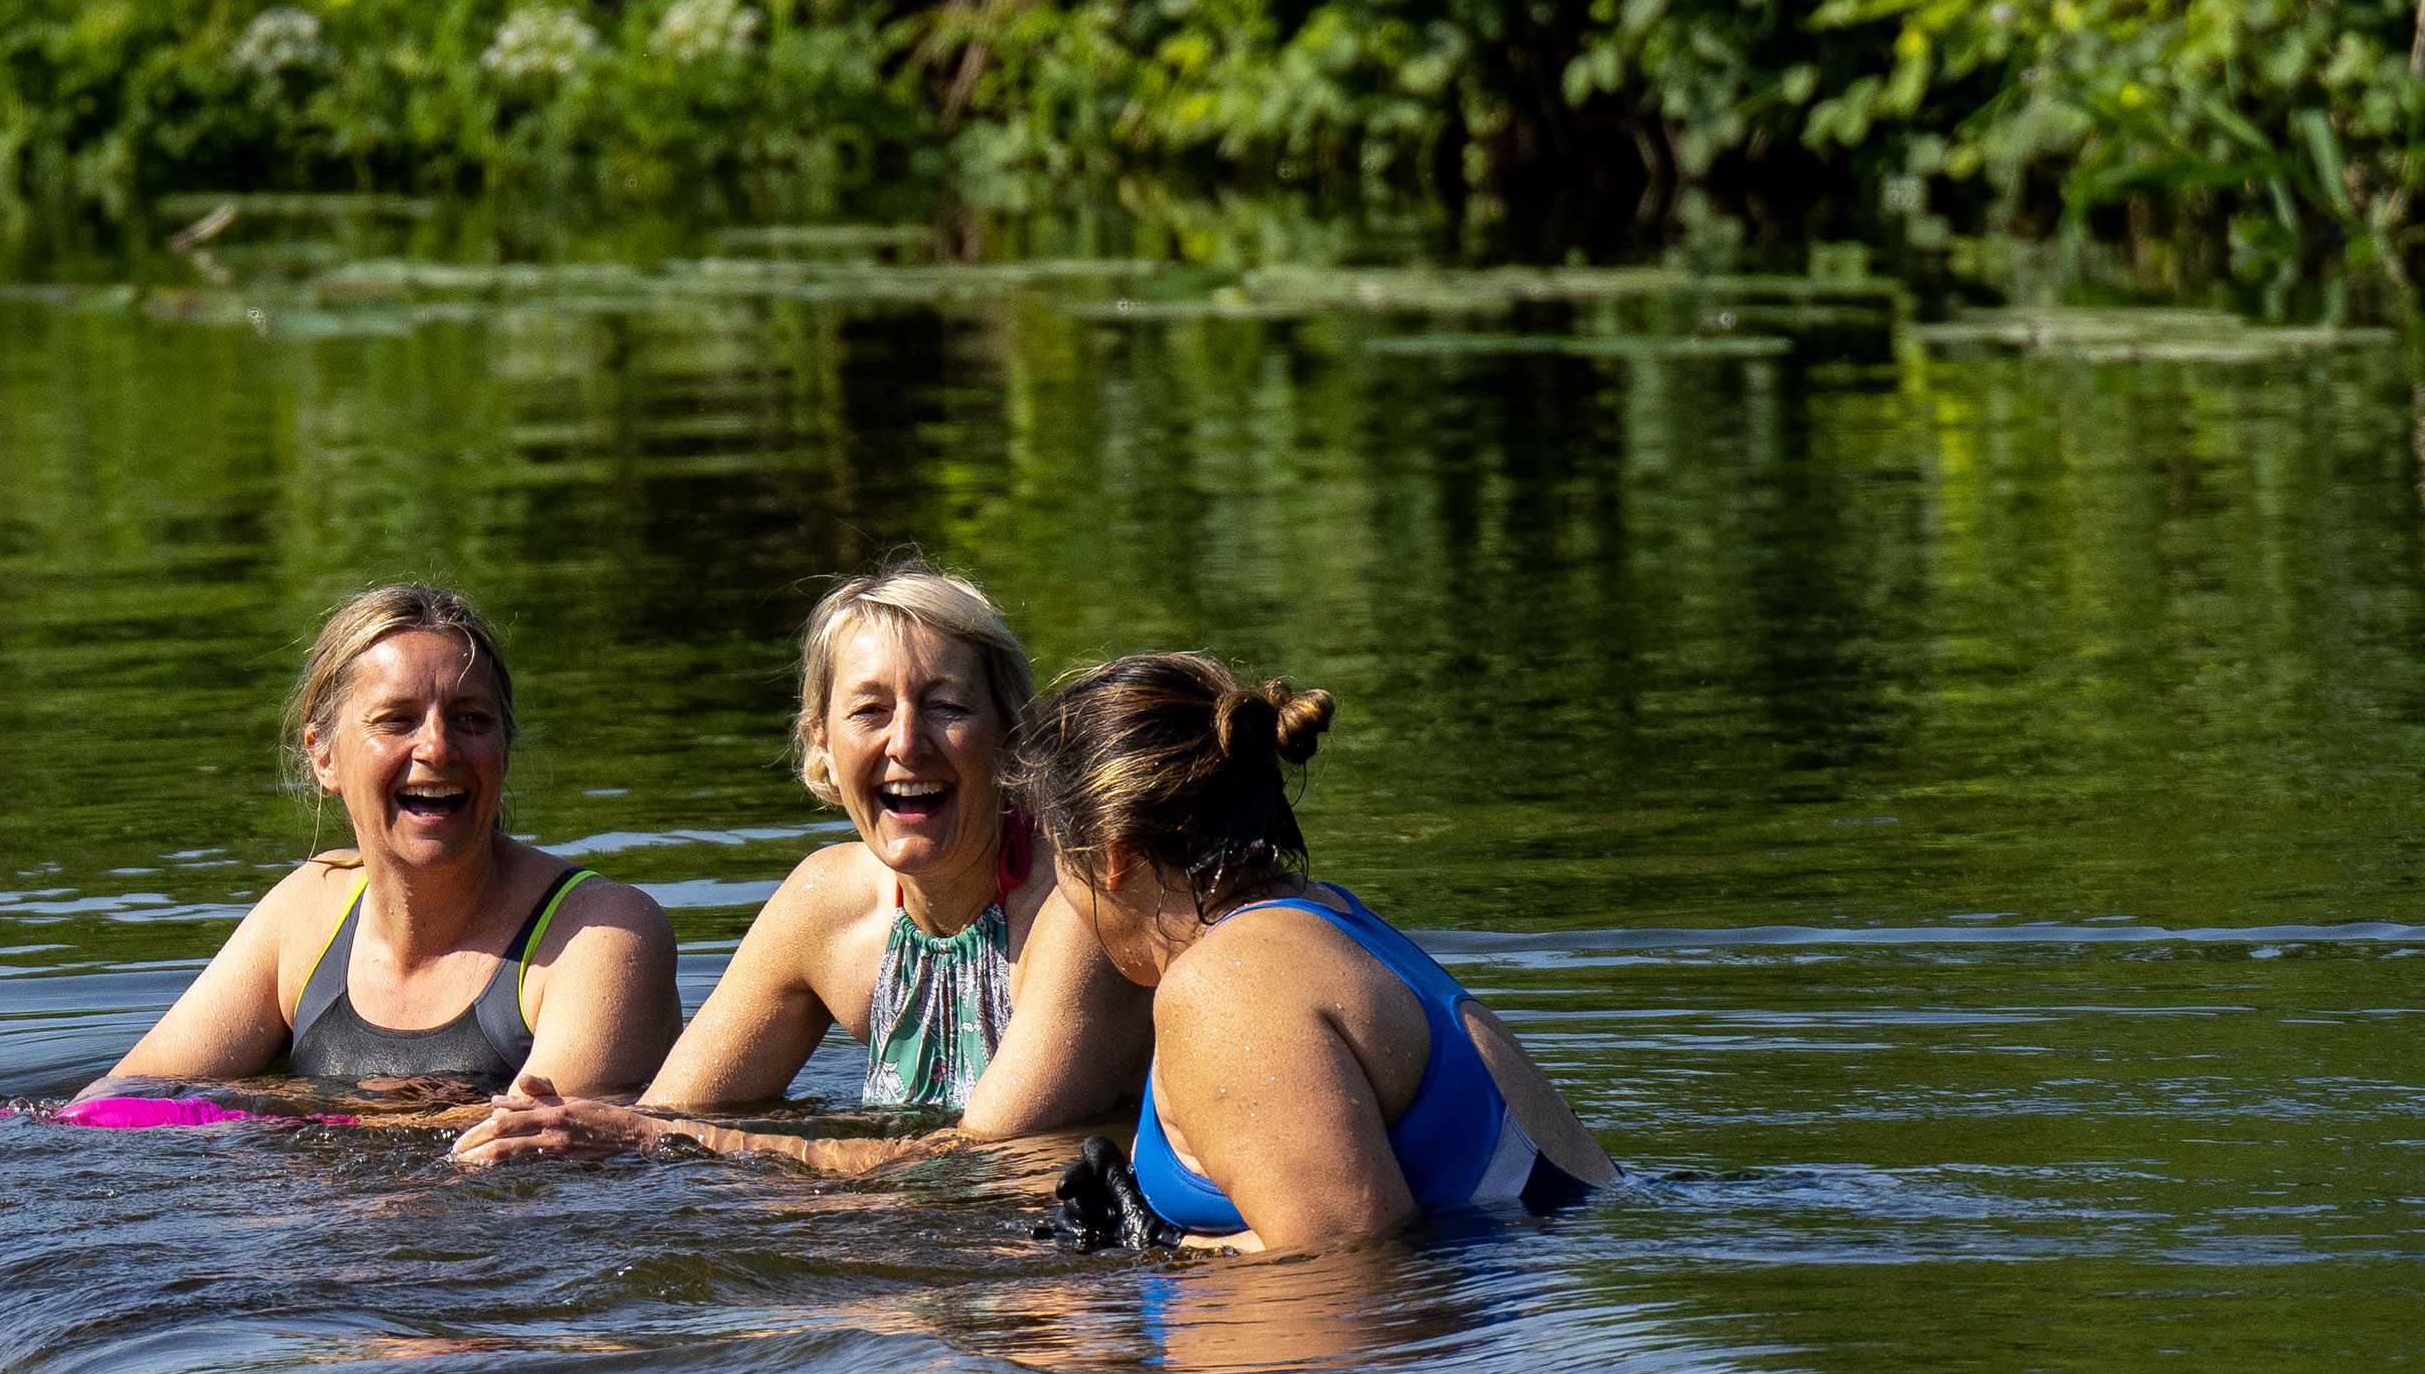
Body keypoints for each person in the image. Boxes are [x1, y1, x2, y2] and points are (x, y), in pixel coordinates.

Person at [453, 565, 1146, 1169]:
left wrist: (643, 1140)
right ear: (822, 747)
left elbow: (979, 1162)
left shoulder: (1081, 903)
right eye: (869, 711)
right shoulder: (827, 904)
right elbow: (676, 1110)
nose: (907, 742)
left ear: (1012, 735)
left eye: (947, 706)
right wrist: (555, 1132)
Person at [1018, 649, 1615, 1252]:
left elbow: (1350, 1276)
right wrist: (1156, 1233)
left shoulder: (1228, 986)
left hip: (1475, 1339)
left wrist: (1156, 1249)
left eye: (1063, 862)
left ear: (1113, 858)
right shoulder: (1327, 914)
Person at [84, 584, 677, 1103]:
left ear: (505, 748)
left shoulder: (603, 932)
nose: (438, 748)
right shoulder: (308, 912)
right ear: (323, 755)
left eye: (472, 719)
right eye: (397, 720)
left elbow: (551, 1146)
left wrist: (290, 1119)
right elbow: (125, 1096)